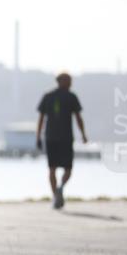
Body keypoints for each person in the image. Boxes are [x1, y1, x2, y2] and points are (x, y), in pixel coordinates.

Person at [36, 72, 87, 209]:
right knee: (62, 169)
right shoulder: (68, 97)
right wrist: (83, 134)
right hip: (61, 138)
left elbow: (41, 119)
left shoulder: (53, 96)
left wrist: (38, 137)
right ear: (61, 81)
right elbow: (78, 118)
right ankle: (58, 192)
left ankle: (57, 192)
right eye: (68, 80)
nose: (71, 83)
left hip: (55, 137)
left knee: (58, 168)